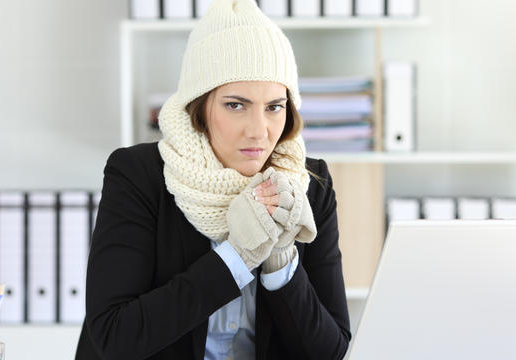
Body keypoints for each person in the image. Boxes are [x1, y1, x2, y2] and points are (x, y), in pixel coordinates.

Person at [75, 0, 350, 358]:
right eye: (235, 105)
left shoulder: (307, 187)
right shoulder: (138, 176)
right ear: (199, 108)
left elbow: (332, 352)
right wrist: (237, 256)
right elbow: (115, 337)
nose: (259, 131)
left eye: (274, 107)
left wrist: (279, 259)